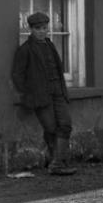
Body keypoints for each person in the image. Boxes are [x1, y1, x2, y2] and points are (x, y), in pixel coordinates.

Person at [11, 12, 76, 175]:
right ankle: (57, 163)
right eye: (38, 28)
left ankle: (56, 162)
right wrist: (30, 92)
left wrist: (61, 89)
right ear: (31, 29)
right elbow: (17, 75)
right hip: (41, 96)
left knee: (66, 125)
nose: (42, 31)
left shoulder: (50, 45)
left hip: (58, 92)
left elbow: (58, 68)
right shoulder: (25, 50)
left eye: (44, 28)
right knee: (51, 128)